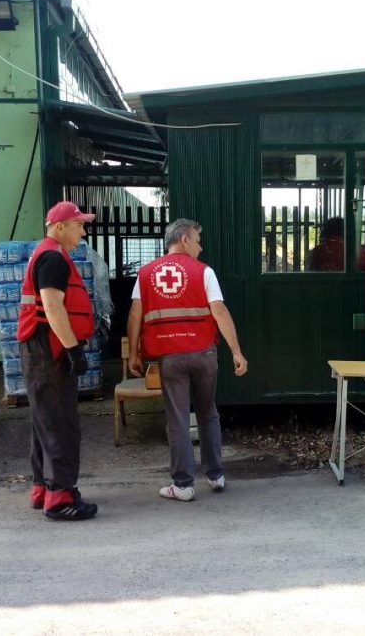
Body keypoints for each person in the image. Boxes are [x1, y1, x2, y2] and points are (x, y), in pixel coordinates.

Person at [127, 218, 248, 502]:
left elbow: (135, 316)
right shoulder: (204, 272)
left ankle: (183, 485)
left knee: (178, 419)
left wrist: (134, 352)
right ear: (184, 240)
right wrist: (236, 351)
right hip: (204, 355)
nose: (200, 246)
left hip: (170, 358)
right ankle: (216, 475)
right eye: (197, 239)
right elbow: (219, 311)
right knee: (208, 413)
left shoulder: (145, 274)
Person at [19, 201, 98, 521]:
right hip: (48, 349)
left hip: (39, 348)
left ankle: (43, 488)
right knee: (61, 423)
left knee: (45, 421)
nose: (83, 230)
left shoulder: (48, 254)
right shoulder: (53, 258)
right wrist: (73, 349)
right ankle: (60, 496)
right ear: (60, 226)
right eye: (78, 224)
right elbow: (53, 308)